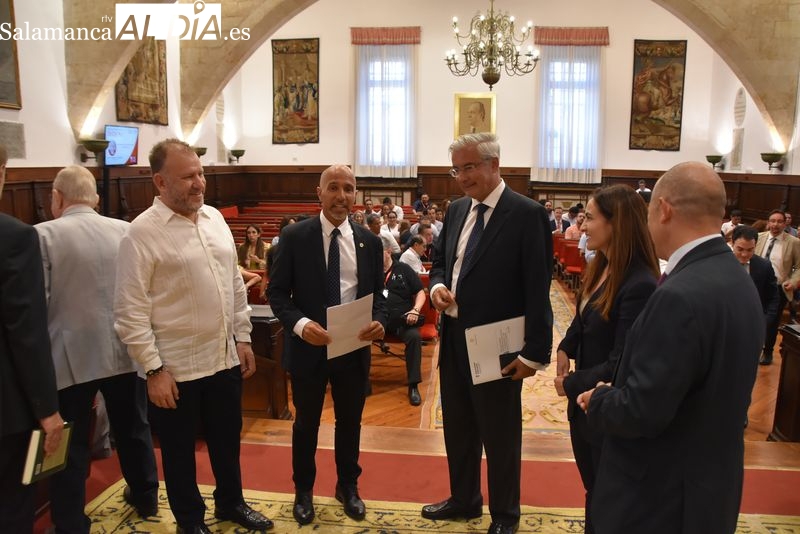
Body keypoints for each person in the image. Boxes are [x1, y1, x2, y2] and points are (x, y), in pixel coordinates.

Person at [577, 162, 764, 534]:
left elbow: (642, 411)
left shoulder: (679, 294)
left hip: (661, 496)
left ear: (663, 210)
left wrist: (598, 399)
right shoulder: (738, 278)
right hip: (710, 485)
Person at [114, 139, 272, 534]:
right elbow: (130, 312)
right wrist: (153, 370)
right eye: (188, 177)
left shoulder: (214, 219)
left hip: (222, 358)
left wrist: (243, 337)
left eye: (201, 173)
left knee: (226, 440)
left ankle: (231, 503)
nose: (199, 183)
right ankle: (189, 520)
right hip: (175, 369)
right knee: (180, 451)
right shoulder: (141, 234)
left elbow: (233, 283)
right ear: (160, 182)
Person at [422, 133, 553, 534]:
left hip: (499, 345)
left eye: (470, 167)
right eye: (456, 170)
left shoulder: (527, 214)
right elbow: (440, 262)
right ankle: (464, 500)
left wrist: (534, 353)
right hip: (454, 339)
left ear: (494, 164)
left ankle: (505, 515)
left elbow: (537, 287)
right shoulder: (458, 209)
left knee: (500, 435)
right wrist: (436, 286)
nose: (462, 177)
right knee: (458, 427)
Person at [36, 165, 159, 532]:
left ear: (57, 197)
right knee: (133, 426)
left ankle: (70, 519)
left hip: (70, 355)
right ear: (95, 198)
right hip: (125, 347)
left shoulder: (44, 235)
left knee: (70, 440)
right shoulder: (125, 230)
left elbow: (39, 301)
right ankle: (146, 494)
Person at [268, 164, 386, 526]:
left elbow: (378, 296)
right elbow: (277, 293)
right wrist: (301, 325)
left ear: (355, 195)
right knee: (306, 424)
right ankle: (303, 490)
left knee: (350, 423)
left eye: (348, 188)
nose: (341, 196)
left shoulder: (370, 242)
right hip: (308, 348)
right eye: (333, 187)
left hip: (353, 348)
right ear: (319, 193)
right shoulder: (294, 236)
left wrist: (380, 321)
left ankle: (347, 486)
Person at [553, 185, 659, 534]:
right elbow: (585, 318)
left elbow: (620, 362)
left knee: (608, 497)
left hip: (605, 407)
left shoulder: (639, 283)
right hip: (585, 408)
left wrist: (570, 383)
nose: (583, 226)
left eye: (590, 218)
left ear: (617, 223)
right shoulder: (601, 265)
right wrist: (565, 347)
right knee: (594, 491)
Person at [0, 145, 65, 533]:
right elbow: (26, 332)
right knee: (11, 507)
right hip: (6, 409)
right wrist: (47, 409)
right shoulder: (14, 237)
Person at [381, 246, 427, 405]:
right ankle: (363, 383)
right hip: (378, 321)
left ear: (388, 251)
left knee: (414, 337)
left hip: (402, 321)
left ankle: (413, 385)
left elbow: (420, 292)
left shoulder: (404, 269)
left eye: (379, 253)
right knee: (359, 335)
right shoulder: (371, 270)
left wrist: (415, 310)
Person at [755, 209, 800, 364]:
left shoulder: (793, 242)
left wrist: (793, 282)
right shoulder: (759, 237)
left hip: (778, 288)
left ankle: (767, 351)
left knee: (772, 321)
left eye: (779, 221)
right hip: (755, 285)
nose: (775, 224)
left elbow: (799, 267)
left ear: (785, 224)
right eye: (772, 221)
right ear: (768, 222)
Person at [731, 225, 778, 321]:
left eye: (750, 250)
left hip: (753, 321)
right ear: (732, 243)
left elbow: (773, 297)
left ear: (755, 245)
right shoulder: (719, 263)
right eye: (740, 249)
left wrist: (765, 321)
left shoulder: (764, 266)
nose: (744, 254)